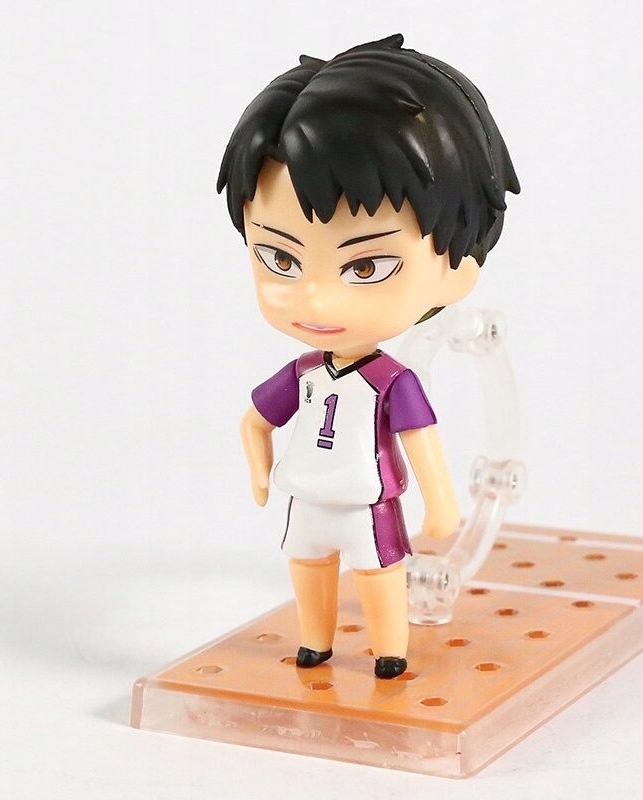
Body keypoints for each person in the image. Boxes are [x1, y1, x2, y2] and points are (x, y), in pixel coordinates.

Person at [217, 34, 519, 678]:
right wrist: (261, 472)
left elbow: (420, 440)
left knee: (380, 573)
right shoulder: (303, 373)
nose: (316, 297)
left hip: (368, 503)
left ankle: (389, 651)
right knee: (306, 567)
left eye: (366, 266)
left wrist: (442, 504)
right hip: (307, 497)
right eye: (279, 259)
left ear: (457, 268)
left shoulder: (390, 380)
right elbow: (254, 420)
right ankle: (315, 643)